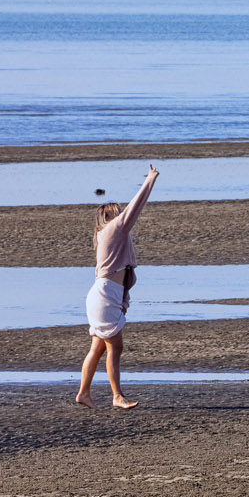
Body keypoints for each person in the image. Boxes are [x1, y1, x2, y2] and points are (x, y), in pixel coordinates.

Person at [76, 164, 159, 410]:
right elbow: (136, 206)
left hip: (102, 295)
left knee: (99, 347)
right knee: (115, 347)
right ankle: (117, 396)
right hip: (103, 297)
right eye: (119, 212)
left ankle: (83, 393)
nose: (123, 214)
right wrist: (150, 180)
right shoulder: (113, 229)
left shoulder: (106, 234)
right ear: (112, 217)